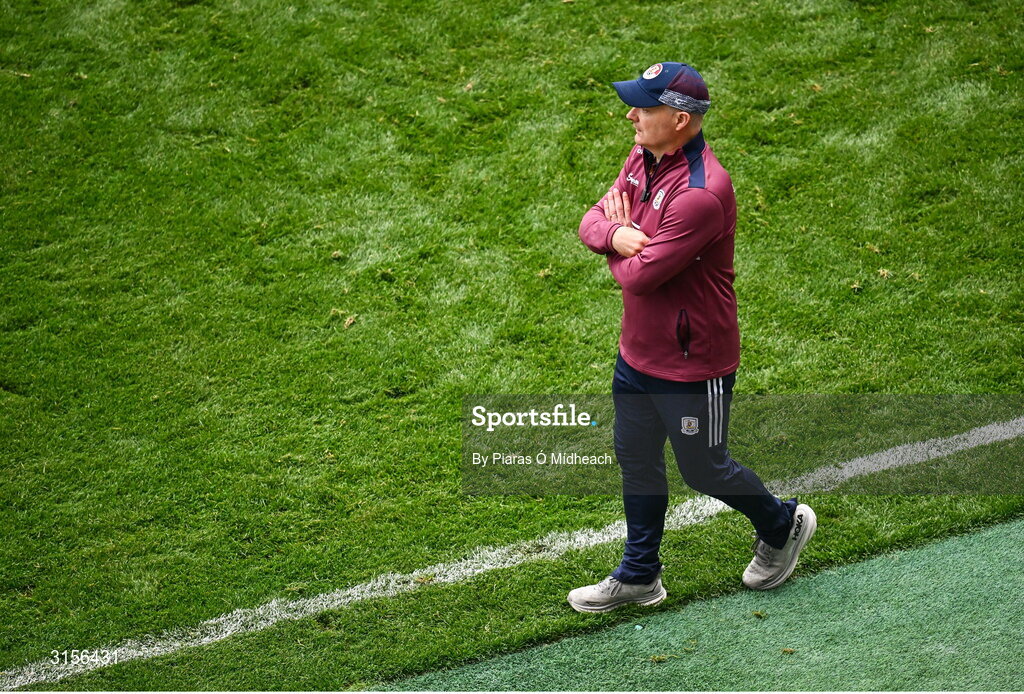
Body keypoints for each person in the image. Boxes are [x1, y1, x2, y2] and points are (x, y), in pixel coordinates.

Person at [569, 62, 816, 613]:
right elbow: (592, 219)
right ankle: (639, 576)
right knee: (634, 457)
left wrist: (620, 244)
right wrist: (618, 234)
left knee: (704, 467)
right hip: (637, 352)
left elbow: (640, 276)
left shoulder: (702, 194)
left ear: (680, 119)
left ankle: (783, 523)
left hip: (691, 365)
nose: (630, 115)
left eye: (644, 108)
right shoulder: (643, 156)